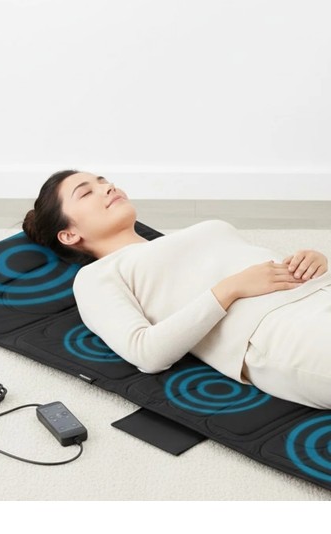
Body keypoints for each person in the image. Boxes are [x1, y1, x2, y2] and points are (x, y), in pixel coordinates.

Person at [23, 169, 331, 409]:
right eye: (86, 192)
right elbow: (146, 353)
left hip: (318, 293)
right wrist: (230, 289)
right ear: (69, 234)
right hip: (275, 331)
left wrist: (311, 262)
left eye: (104, 181)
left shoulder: (195, 233)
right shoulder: (97, 276)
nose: (108, 187)